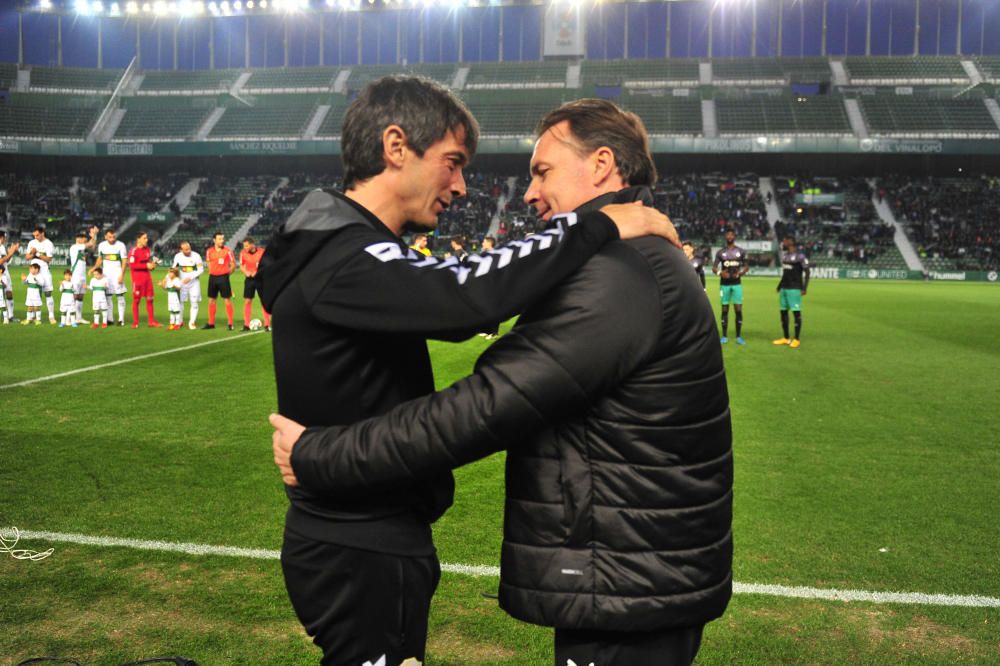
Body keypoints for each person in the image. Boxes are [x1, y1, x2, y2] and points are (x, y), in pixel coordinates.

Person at [270, 98, 731, 666]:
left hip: (628, 572)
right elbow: (467, 298)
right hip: (629, 564)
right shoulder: (624, 256)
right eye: (455, 163)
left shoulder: (623, 271)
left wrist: (320, 454)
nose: (529, 194)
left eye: (542, 172)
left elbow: (487, 405)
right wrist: (594, 225)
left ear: (603, 164)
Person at [712, 227, 749, 344]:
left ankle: (738, 336)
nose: (729, 237)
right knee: (724, 310)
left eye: (731, 235)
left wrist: (742, 272)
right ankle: (724, 336)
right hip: (724, 285)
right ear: (725, 237)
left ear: (734, 237)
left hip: (737, 284)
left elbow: (747, 266)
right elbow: (714, 267)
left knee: (738, 310)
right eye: (727, 235)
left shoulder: (741, 251)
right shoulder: (720, 252)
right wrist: (720, 273)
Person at [773, 237, 810, 349]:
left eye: (784, 241)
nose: (782, 243)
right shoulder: (785, 256)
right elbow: (785, 273)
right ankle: (786, 338)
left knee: (796, 313)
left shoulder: (800, 257)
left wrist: (804, 288)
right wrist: (779, 286)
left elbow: (807, 271)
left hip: (794, 288)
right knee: (783, 312)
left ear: (790, 242)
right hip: (784, 288)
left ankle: (797, 339)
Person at [95, 228, 128, 326]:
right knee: (108, 297)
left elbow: (124, 262)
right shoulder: (101, 245)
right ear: (105, 236)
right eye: (110, 237)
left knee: (120, 296)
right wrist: (95, 269)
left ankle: (121, 319)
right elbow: (99, 260)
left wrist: (122, 275)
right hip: (106, 275)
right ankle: (109, 319)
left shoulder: (121, 245)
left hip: (117, 274)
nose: (112, 239)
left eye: (114, 236)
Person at [128, 232, 162, 328]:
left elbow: (149, 262)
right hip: (138, 280)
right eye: (144, 238)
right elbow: (132, 265)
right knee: (136, 300)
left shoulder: (147, 249)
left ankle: (151, 321)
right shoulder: (133, 251)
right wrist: (146, 265)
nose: (146, 240)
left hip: (147, 279)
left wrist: (152, 265)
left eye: (146, 238)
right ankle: (135, 322)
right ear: (138, 239)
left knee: (150, 300)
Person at [25, 225, 57, 324]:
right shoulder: (31, 243)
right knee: (34, 294)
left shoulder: (48, 244)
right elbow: (27, 257)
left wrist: (36, 254)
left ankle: (51, 316)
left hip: (44, 271)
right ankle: (34, 317)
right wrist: (32, 254)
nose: (36, 237)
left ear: (42, 233)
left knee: (48, 293)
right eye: (34, 235)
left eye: (37, 235)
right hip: (33, 272)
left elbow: (49, 259)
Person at [204, 232, 236, 330]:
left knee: (227, 300)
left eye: (222, 239)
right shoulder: (209, 251)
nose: (222, 241)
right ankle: (211, 323)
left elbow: (233, 265)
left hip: (223, 278)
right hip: (212, 278)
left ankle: (230, 324)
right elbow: (209, 264)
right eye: (219, 239)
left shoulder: (228, 251)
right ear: (214, 240)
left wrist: (226, 274)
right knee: (211, 300)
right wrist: (213, 272)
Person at [239, 237, 270, 332]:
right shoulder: (243, 253)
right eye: (244, 246)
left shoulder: (262, 252)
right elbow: (241, 265)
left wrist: (257, 272)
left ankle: (267, 325)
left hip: (261, 279)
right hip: (249, 280)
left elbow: (267, 265)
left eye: (247, 245)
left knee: (264, 301)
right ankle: (246, 325)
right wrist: (246, 272)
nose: (245, 247)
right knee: (247, 301)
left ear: (252, 244)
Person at [172, 241, 204, 330]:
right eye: (186, 249)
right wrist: (169, 279)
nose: (188, 251)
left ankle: (192, 322)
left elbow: (201, 270)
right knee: (180, 302)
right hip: (182, 283)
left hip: (194, 283)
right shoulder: (177, 257)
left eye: (189, 248)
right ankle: (180, 321)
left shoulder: (196, 256)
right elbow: (173, 268)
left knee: (194, 302)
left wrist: (190, 277)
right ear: (181, 250)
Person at [69, 230, 90, 324]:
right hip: (76, 276)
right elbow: (90, 244)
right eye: (84, 238)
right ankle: (69, 318)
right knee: (74, 296)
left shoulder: (81, 249)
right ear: (79, 239)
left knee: (81, 296)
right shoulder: (75, 247)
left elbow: (92, 246)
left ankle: (79, 317)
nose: (85, 240)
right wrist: (93, 236)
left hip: (82, 276)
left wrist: (95, 236)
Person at [0, 229, 19, 322]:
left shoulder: (2, 247)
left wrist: (12, 251)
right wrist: (11, 253)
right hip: (0, 273)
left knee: (9, 293)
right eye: (4, 237)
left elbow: (5, 260)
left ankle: (10, 316)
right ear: (2, 237)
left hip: (5, 272)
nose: (5, 239)